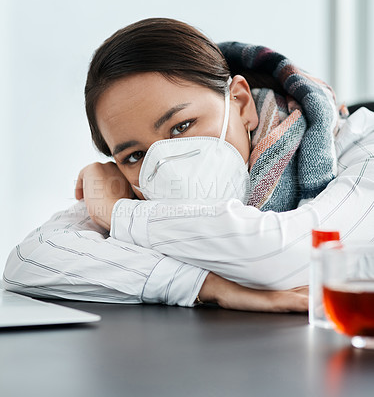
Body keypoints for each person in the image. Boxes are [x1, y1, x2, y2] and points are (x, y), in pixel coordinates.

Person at [3, 18, 374, 312]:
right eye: (135, 155)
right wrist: (209, 286)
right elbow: (31, 259)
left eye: (182, 126)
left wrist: (118, 213)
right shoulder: (134, 187)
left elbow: (287, 254)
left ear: (241, 103)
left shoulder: (361, 144)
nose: (167, 164)